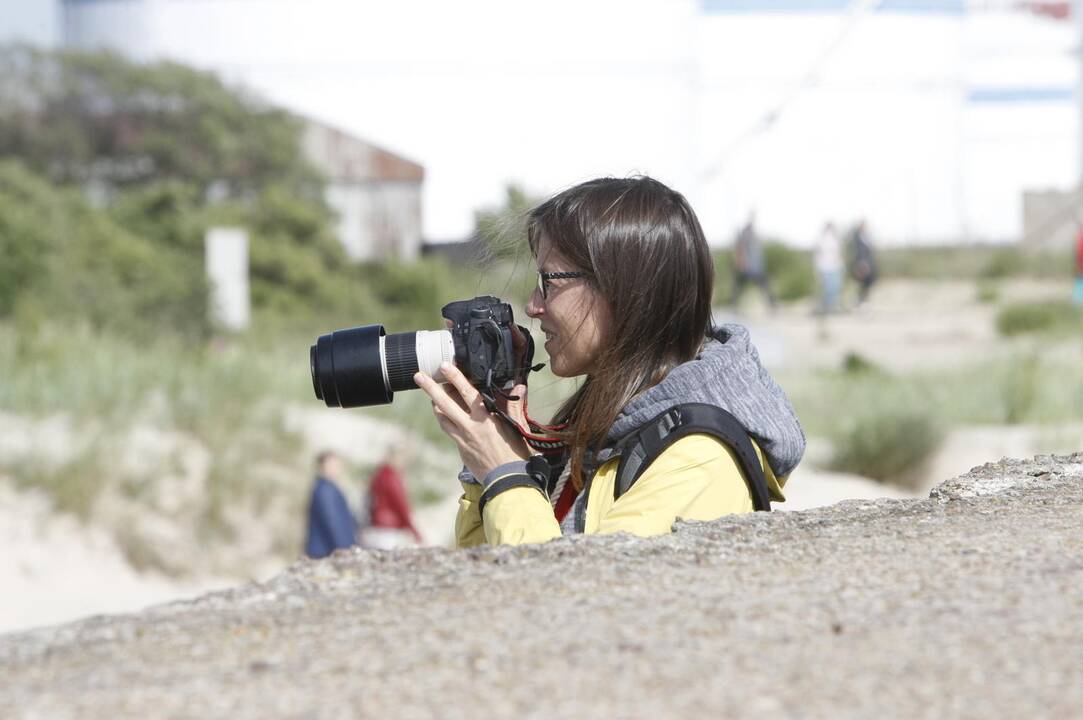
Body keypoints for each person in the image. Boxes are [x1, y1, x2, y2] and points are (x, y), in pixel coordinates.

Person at [413, 177, 805, 547]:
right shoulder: (612, 424)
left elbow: (575, 604)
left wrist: (507, 477)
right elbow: (488, 569)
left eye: (548, 282)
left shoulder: (698, 459)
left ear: (623, 290)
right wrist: (492, 457)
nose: (533, 307)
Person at [359, 443, 424, 549]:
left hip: (376, 527)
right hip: (386, 530)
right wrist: (414, 530)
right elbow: (400, 505)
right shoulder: (390, 477)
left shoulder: (379, 474)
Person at [304, 450, 358, 558]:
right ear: (323, 465)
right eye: (334, 464)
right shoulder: (325, 489)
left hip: (328, 550)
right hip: (325, 550)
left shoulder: (327, 487)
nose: (338, 467)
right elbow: (332, 520)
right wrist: (343, 547)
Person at [729, 211, 776, 310]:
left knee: (762, 286)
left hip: (755, 267)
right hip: (748, 267)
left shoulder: (752, 232)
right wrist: (742, 263)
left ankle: (772, 305)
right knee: (740, 287)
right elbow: (740, 248)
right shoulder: (746, 232)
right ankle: (734, 306)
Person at [813, 221, 844, 315]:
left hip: (835, 267)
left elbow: (838, 254)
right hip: (825, 267)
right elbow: (818, 256)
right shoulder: (821, 240)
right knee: (827, 289)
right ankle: (825, 307)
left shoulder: (836, 239)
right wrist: (817, 268)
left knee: (835, 288)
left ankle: (833, 307)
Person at [849, 219, 878, 308]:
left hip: (869, 264)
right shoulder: (856, 237)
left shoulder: (867, 237)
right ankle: (861, 301)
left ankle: (863, 300)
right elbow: (858, 251)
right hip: (861, 264)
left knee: (868, 282)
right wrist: (861, 263)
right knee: (862, 283)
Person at [1074, 215, 1083, 306]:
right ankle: (1078, 300)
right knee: (1080, 280)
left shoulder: (1080, 236)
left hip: (1080, 262)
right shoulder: (1080, 236)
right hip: (1080, 262)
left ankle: (1078, 300)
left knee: (1080, 280)